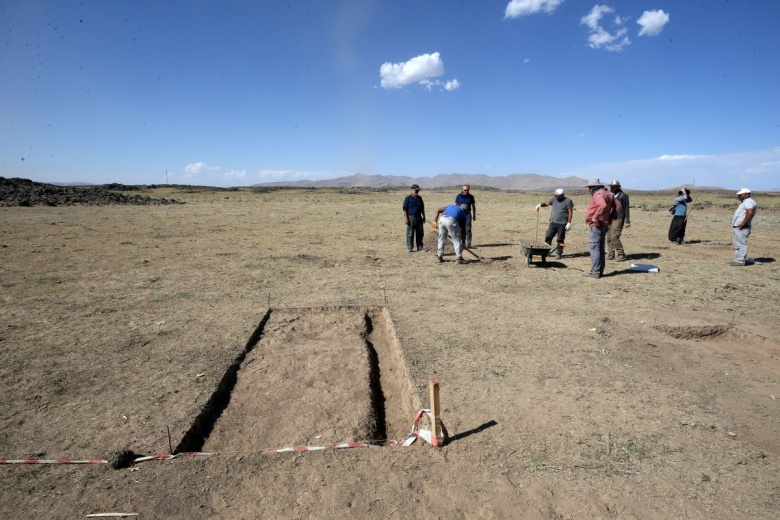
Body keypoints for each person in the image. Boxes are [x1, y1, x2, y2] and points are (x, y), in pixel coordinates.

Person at [583, 178, 621, 279]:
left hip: (596, 225)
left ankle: (595, 272)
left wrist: (595, 218)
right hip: (604, 224)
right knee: (600, 248)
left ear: (592, 187)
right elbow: (618, 206)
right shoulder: (609, 194)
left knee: (595, 249)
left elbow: (603, 205)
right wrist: (611, 217)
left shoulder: (598, 194)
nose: (589, 190)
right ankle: (600, 271)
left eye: (589, 188)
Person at [535, 188, 573, 260]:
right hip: (553, 222)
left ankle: (559, 253)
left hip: (562, 223)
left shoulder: (568, 201)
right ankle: (546, 252)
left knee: (560, 239)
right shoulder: (554, 199)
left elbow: (570, 212)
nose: (556, 197)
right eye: (555, 195)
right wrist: (540, 205)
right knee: (548, 236)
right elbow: (547, 204)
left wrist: (569, 223)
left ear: (562, 195)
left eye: (558, 196)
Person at [731, 188, 757, 266]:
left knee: (741, 244)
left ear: (747, 194)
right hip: (740, 227)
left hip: (742, 227)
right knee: (738, 244)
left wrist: (742, 224)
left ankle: (740, 261)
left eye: (741, 194)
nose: (739, 196)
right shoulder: (745, 202)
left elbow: (750, 212)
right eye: (739, 194)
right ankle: (737, 260)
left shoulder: (748, 202)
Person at [606, 180, 630, 261]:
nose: (611, 188)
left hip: (619, 217)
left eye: (613, 186)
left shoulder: (624, 195)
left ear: (618, 186)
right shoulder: (611, 195)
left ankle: (621, 254)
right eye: (611, 186)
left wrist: (627, 220)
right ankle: (611, 254)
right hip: (610, 217)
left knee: (614, 236)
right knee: (608, 237)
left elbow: (626, 208)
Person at [402, 184, 426, 252]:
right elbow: (404, 209)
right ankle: (410, 247)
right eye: (415, 190)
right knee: (410, 233)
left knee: (420, 233)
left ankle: (420, 247)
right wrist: (406, 219)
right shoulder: (408, 198)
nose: (417, 192)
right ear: (412, 190)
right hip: (411, 217)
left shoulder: (420, 198)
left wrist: (424, 217)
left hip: (419, 217)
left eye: (418, 190)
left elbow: (422, 208)